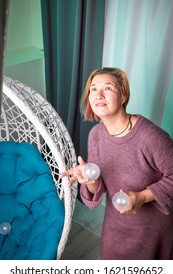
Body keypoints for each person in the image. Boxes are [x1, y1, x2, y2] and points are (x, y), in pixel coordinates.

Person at [61, 67, 173, 260]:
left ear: (123, 97)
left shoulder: (150, 137)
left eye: (108, 88)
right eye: (93, 89)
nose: (99, 94)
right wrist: (89, 181)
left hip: (152, 233)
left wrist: (142, 197)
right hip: (115, 228)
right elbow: (99, 183)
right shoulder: (95, 135)